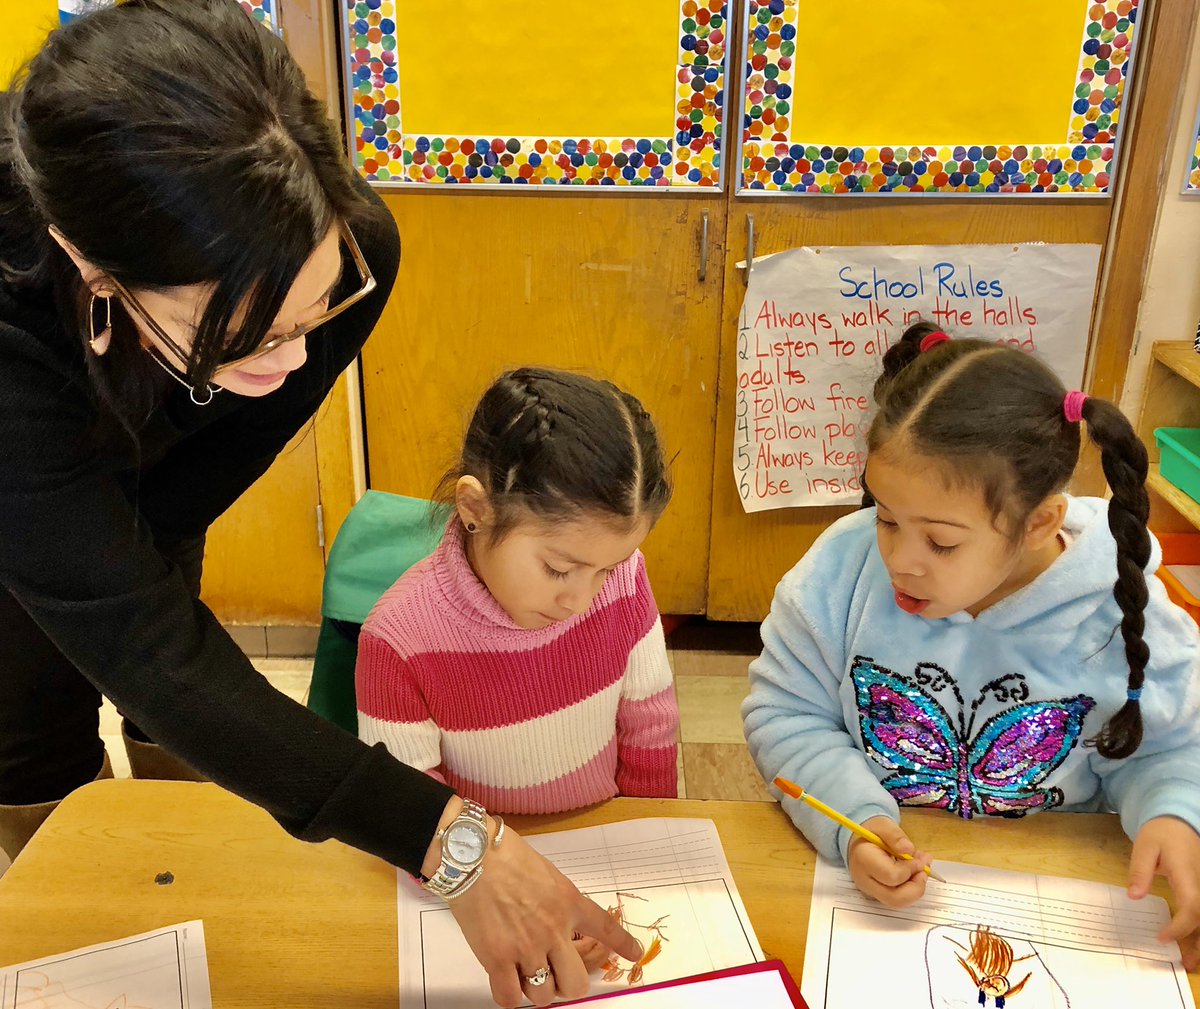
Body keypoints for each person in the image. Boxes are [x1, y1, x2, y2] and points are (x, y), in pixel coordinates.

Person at [0, 3, 640, 1005]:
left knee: (174, 660)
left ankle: (202, 897)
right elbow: (141, 640)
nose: (294, 362)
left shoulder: (356, 254)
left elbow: (172, 551)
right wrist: (452, 843)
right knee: (32, 729)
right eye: (247, 335)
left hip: (138, 462)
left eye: (310, 314)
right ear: (92, 267)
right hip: (20, 477)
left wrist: (162, 636)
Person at [742, 322, 1200, 967]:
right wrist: (857, 824)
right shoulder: (840, 572)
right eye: (887, 518)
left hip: (1058, 903)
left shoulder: (1119, 609)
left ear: (1038, 523)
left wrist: (1173, 813)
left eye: (942, 542)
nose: (900, 560)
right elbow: (787, 715)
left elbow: (1170, 750)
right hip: (875, 905)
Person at [356, 367, 679, 970]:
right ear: (476, 508)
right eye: (558, 568)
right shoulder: (399, 639)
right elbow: (408, 811)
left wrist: (644, 851)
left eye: (607, 568)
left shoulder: (624, 585)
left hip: (604, 845)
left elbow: (650, 726)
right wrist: (505, 895)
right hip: (483, 873)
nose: (580, 599)